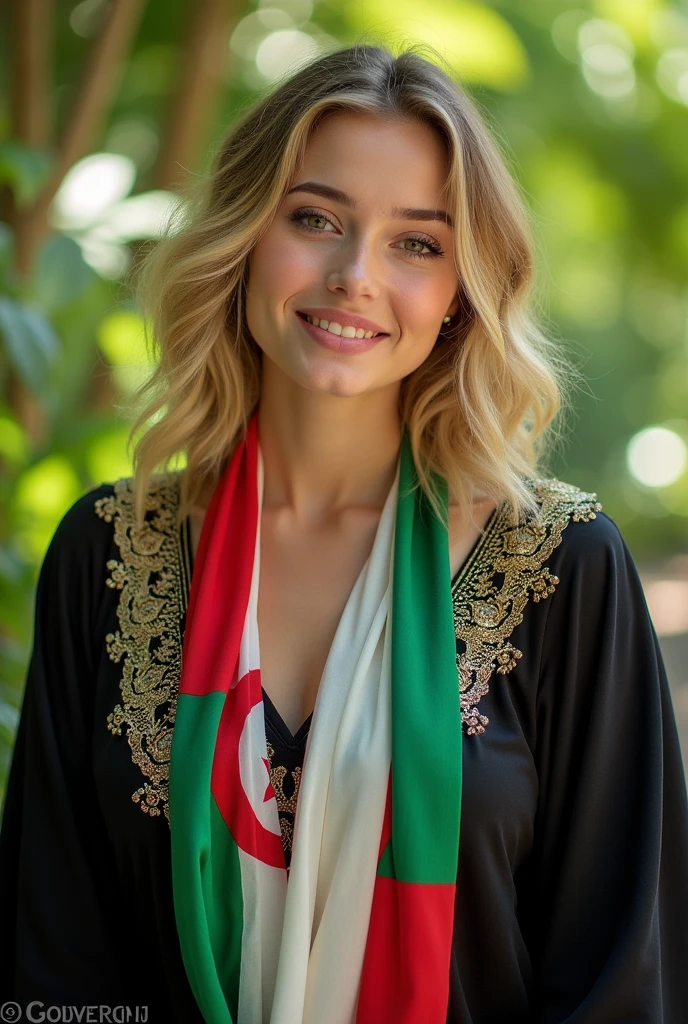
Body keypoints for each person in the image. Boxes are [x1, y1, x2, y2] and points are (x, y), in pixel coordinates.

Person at [1, 42, 687, 1024]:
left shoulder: (562, 567)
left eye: (416, 243)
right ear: (241, 237)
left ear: (461, 291)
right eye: (314, 218)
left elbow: (622, 979)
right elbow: (50, 973)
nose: (354, 275)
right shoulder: (109, 552)